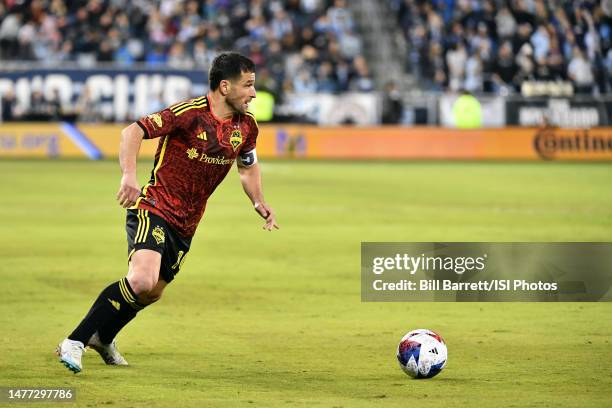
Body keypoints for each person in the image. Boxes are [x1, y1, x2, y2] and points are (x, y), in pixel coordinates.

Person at [56, 52, 279, 373]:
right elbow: (132, 132)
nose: (254, 93)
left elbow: (247, 167)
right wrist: (128, 176)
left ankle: (103, 337)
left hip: (187, 223)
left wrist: (258, 201)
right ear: (225, 86)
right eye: (249, 85)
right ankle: (74, 341)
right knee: (142, 279)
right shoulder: (189, 114)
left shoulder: (246, 127)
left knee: (152, 292)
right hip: (155, 206)